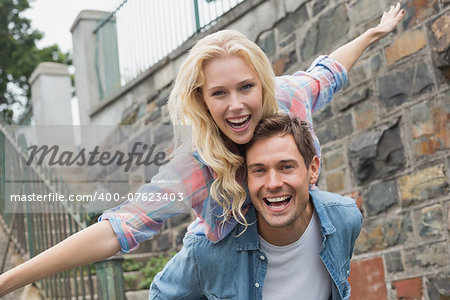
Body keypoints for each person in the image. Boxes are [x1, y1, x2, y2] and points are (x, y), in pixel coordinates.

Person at [0, 3, 404, 297]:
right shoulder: (198, 167)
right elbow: (118, 229)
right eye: (219, 94)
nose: (236, 105)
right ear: (202, 100)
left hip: (290, 246)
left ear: (262, 84)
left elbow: (329, 70)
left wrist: (371, 34)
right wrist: (8, 281)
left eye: (246, 87)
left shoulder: (289, 99)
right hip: (220, 258)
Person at [149, 114, 362, 300]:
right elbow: (160, 295)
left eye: (286, 167)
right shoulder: (208, 252)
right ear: (246, 177)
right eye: (259, 170)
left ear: (313, 169)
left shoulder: (345, 218)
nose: (273, 183)